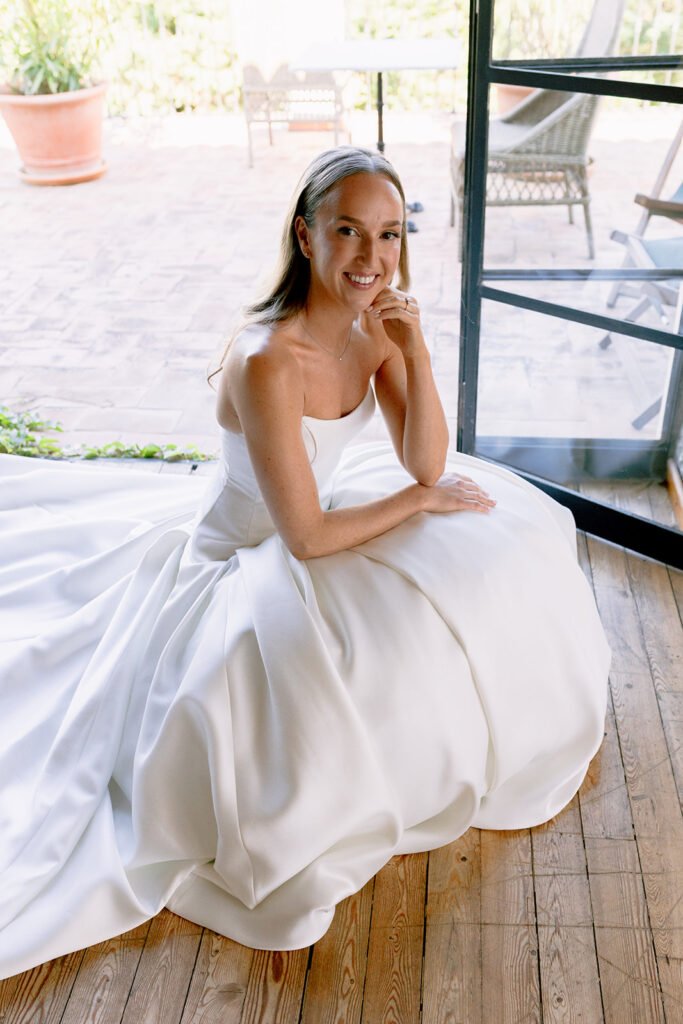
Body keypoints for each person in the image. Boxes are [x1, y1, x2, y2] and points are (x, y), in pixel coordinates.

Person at [0, 146, 610, 980]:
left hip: (314, 520)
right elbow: (308, 538)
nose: (371, 257)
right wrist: (416, 504)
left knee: (496, 548)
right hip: (246, 552)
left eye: (389, 234)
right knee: (319, 666)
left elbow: (426, 463)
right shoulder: (266, 360)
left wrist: (414, 351)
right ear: (305, 235)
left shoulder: (375, 330)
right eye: (348, 231)